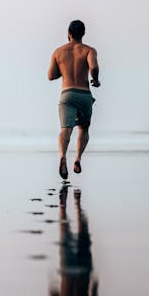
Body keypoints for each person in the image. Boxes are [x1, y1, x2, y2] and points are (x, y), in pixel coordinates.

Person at [47, 20, 100, 179]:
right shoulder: (89, 50)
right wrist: (95, 80)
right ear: (83, 34)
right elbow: (94, 67)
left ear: (68, 33)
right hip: (84, 94)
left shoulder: (58, 52)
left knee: (65, 129)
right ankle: (77, 158)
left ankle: (63, 156)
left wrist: (64, 70)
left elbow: (50, 76)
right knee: (83, 129)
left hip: (67, 93)